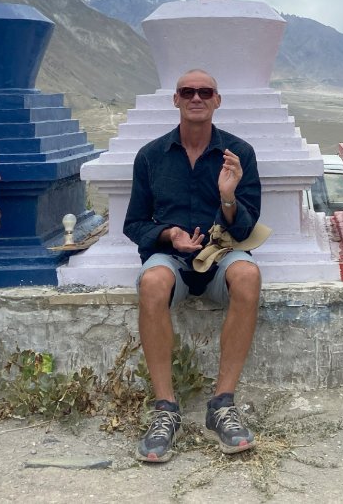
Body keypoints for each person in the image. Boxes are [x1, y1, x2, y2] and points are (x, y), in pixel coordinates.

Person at [124, 69, 263, 463]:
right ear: (176, 100)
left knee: (248, 274)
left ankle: (222, 405)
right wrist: (169, 236)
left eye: (205, 91)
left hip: (221, 256)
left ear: (217, 100)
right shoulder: (151, 156)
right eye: (188, 91)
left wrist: (228, 197)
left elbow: (247, 226)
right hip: (173, 258)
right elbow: (134, 224)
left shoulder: (239, 155)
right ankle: (165, 409)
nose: (196, 98)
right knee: (151, 282)